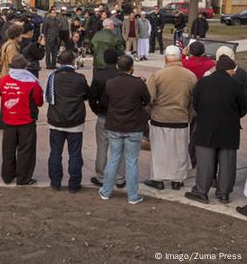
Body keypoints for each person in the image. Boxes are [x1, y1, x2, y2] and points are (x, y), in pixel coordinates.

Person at [185, 56, 247, 204]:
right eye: (233, 70)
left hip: (206, 127)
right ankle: (224, 193)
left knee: (205, 162)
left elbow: (196, 104)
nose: (233, 73)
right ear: (229, 70)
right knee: (227, 163)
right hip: (229, 129)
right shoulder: (237, 85)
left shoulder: (203, 82)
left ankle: (201, 191)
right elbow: (243, 109)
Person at [98, 56, 150, 204]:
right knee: (131, 161)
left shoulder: (110, 83)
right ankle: (133, 196)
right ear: (131, 68)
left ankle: (106, 191)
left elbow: (107, 101)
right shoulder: (138, 83)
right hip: (133, 126)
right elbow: (147, 100)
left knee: (113, 159)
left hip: (115, 124)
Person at [144, 45, 197, 191]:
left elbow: (149, 98)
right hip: (181, 118)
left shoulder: (158, 75)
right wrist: (189, 115)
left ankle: (158, 179)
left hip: (160, 118)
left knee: (159, 151)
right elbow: (194, 101)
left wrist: (151, 111)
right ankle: (177, 180)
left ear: (166, 58)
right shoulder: (190, 75)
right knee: (179, 152)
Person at [45, 50, 90, 192]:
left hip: (56, 120)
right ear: (73, 62)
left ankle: (55, 182)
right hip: (75, 121)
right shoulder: (80, 78)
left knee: (55, 152)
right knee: (75, 153)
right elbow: (86, 95)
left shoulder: (52, 77)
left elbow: (48, 97)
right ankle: (74, 184)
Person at [0, 54, 43, 185]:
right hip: (26, 121)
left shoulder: (4, 80)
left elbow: (1, 93)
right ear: (25, 67)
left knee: (8, 150)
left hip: (8, 120)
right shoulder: (32, 83)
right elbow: (39, 102)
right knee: (26, 151)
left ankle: (7, 176)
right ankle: (23, 178)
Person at [89, 49, 125, 188]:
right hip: (119, 116)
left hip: (104, 115)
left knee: (102, 147)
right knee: (120, 148)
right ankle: (119, 178)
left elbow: (92, 97)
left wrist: (97, 110)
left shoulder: (99, 75)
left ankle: (101, 177)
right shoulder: (122, 75)